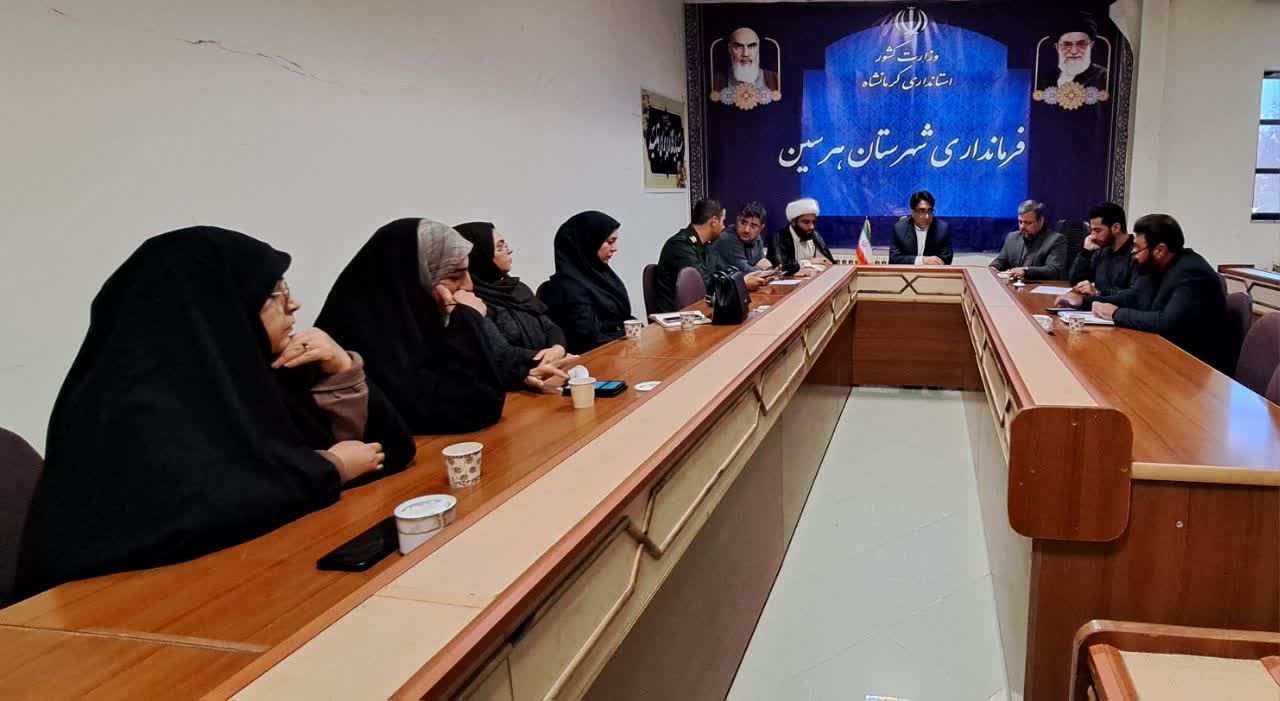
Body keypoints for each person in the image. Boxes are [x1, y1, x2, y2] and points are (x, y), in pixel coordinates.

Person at [14, 227, 415, 599]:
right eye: (275, 292)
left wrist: (342, 370)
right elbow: (204, 510)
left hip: (245, 584)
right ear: (219, 307)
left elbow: (389, 451)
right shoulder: (133, 407)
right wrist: (328, 469)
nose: (293, 304)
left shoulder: (250, 374)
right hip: (123, 613)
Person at [317, 219, 568, 434]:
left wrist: (519, 372)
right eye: (455, 276)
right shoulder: (368, 336)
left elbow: (474, 371)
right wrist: (469, 322)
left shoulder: (423, 317)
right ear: (414, 277)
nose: (469, 286)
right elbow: (474, 407)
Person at [1055, 214, 1232, 373]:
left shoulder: (1191, 273)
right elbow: (1133, 296)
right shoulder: (1157, 265)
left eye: (1137, 249)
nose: (1134, 256)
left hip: (1192, 368)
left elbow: (1167, 323)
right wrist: (1084, 302)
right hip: (1163, 354)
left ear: (1160, 250)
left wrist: (1116, 314)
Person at [454, 222, 569, 364]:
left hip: (551, 365)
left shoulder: (517, 288)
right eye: (500, 247)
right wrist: (546, 358)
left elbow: (549, 325)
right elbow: (501, 352)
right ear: (480, 256)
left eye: (505, 245)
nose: (509, 250)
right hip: (522, 373)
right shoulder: (472, 301)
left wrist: (558, 348)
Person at [541, 211, 634, 354]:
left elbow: (621, 318)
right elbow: (590, 341)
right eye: (610, 242)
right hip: (594, 359)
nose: (615, 248)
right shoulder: (569, 289)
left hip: (617, 352)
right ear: (588, 243)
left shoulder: (599, 275)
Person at [655, 198, 769, 312]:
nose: (724, 227)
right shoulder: (680, 246)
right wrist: (742, 283)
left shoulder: (706, 245)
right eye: (722, 221)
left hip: (700, 311)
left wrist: (743, 278)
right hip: (678, 317)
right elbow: (705, 286)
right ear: (714, 222)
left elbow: (725, 271)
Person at [1068, 202, 1137, 296]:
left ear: (1116, 228)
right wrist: (1086, 252)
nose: (1093, 236)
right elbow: (1074, 281)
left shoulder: (1138, 254)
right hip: (1096, 304)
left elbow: (1135, 295)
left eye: (1097, 231)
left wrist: (1098, 293)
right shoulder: (1101, 251)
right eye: (1091, 230)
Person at [989, 200, 1068, 281]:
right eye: (1020, 222)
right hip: (1015, 286)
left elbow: (1054, 270)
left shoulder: (1056, 240)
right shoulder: (1012, 238)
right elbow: (1001, 261)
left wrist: (1025, 271)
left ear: (1041, 221)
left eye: (1028, 223)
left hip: (1040, 286)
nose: (1022, 226)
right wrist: (994, 267)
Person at [711, 27, 780, 107]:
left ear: (758, 48)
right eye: (738, 46)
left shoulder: (776, 79)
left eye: (751, 46)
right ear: (729, 49)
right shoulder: (715, 81)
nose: (745, 54)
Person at [769, 197, 834, 277]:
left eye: (813, 222)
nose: (811, 227)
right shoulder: (779, 237)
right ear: (793, 222)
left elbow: (827, 262)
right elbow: (781, 268)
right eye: (806, 222)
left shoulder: (814, 234)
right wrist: (809, 262)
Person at [1038, 18, 1108, 91]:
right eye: (1067, 44)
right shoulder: (1046, 79)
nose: (1074, 51)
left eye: (1081, 44)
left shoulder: (1104, 76)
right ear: (1057, 47)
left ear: (1091, 45)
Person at [890, 190, 953, 265]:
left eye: (930, 211)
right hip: (908, 271)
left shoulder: (942, 229)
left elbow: (947, 259)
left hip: (932, 271)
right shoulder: (900, 228)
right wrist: (921, 260)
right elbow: (893, 259)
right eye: (922, 211)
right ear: (913, 213)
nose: (927, 216)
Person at [711, 201, 773, 274]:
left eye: (753, 226)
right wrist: (760, 268)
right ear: (737, 220)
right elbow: (745, 272)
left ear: (761, 229)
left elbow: (763, 263)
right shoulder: (727, 238)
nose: (746, 230)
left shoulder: (757, 238)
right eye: (743, 222)